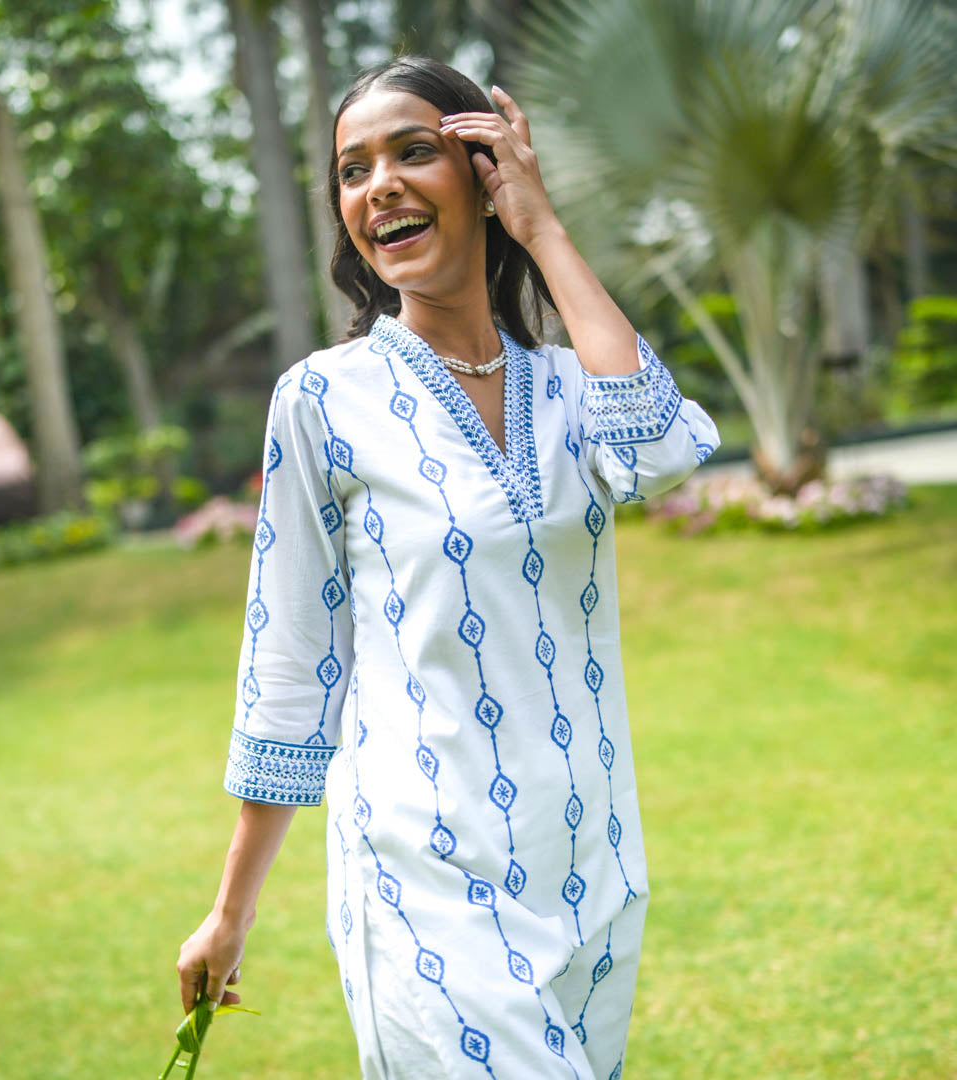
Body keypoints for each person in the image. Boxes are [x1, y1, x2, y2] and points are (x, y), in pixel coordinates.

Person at [177, 55, 720, 1079]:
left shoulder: (574, 388)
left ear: (482, 175)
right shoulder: (322, 400)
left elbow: (657, 451)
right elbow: (292, 664)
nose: (378, 185)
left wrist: (542, 228)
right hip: (421, 877)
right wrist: (230, 911)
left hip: (591, 867)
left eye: (413, 153)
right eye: (353, 170)